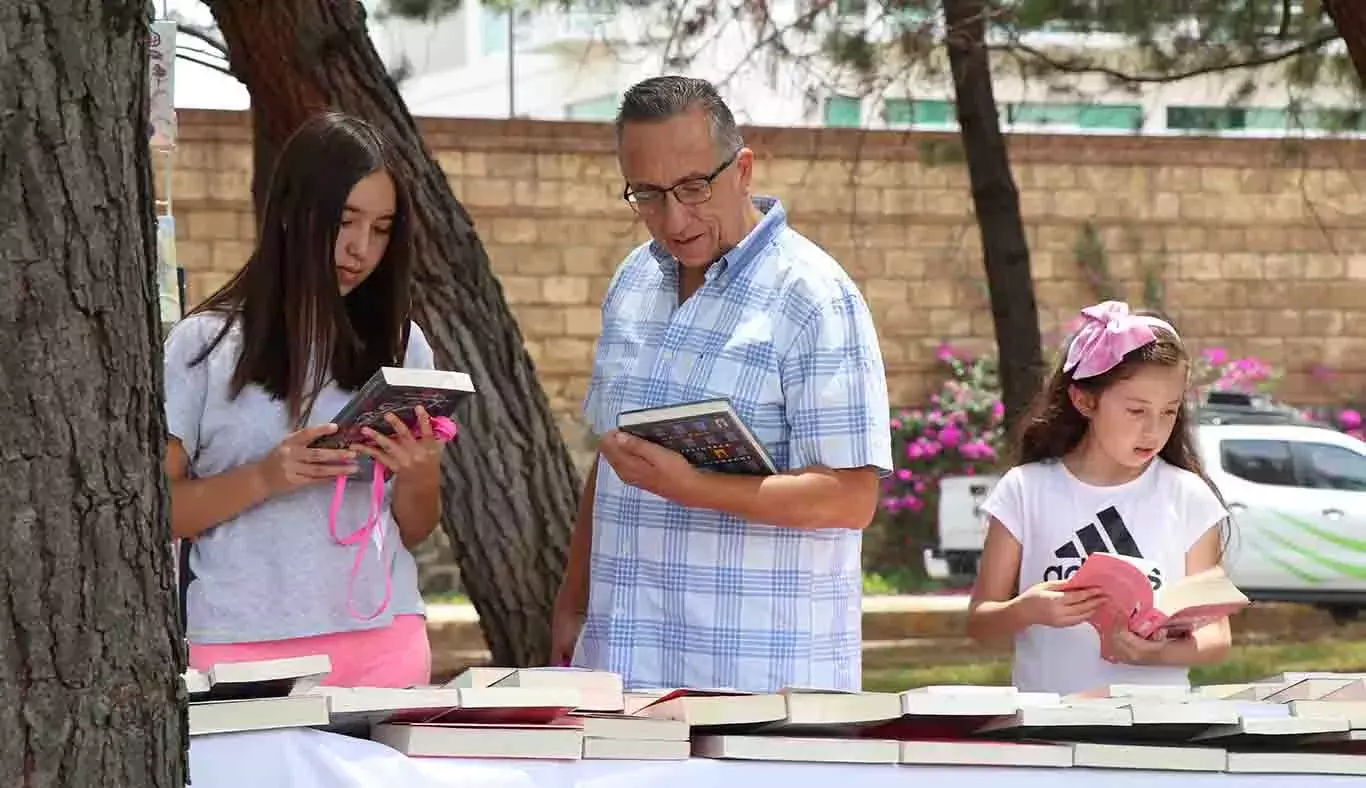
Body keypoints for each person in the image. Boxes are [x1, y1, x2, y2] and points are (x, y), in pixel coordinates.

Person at [551, 75, 894, 693]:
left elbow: (850, 498)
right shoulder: (633, 282)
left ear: (742, 170)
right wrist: (573, 606)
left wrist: (695, 487)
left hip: (758, 684)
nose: (674, 217)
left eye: (692, 187)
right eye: (648, 194)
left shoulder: (814, 298)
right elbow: (613, 461)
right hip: (622, 666)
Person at [163, 112, 444, 688]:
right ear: (292, 211)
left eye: (382, 228)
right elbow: (155, 513)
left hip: (385, 645)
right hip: (241, 649)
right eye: (344, 221)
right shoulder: (202, 346)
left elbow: (414, 527)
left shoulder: (401, 346)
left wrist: (419, 472)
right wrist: (266, 477)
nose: (360, 248)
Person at [967, 300, 1233, 696]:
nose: (1153, 430)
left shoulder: (1189, 496)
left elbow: (1216, 637)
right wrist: (1027, 610)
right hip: (1048, 725)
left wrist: (1153, 653)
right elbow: (980, 624)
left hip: (1156, 727)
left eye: (1169, 412)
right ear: (1085, 401)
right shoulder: (1025, 490)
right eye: (1136, 411)